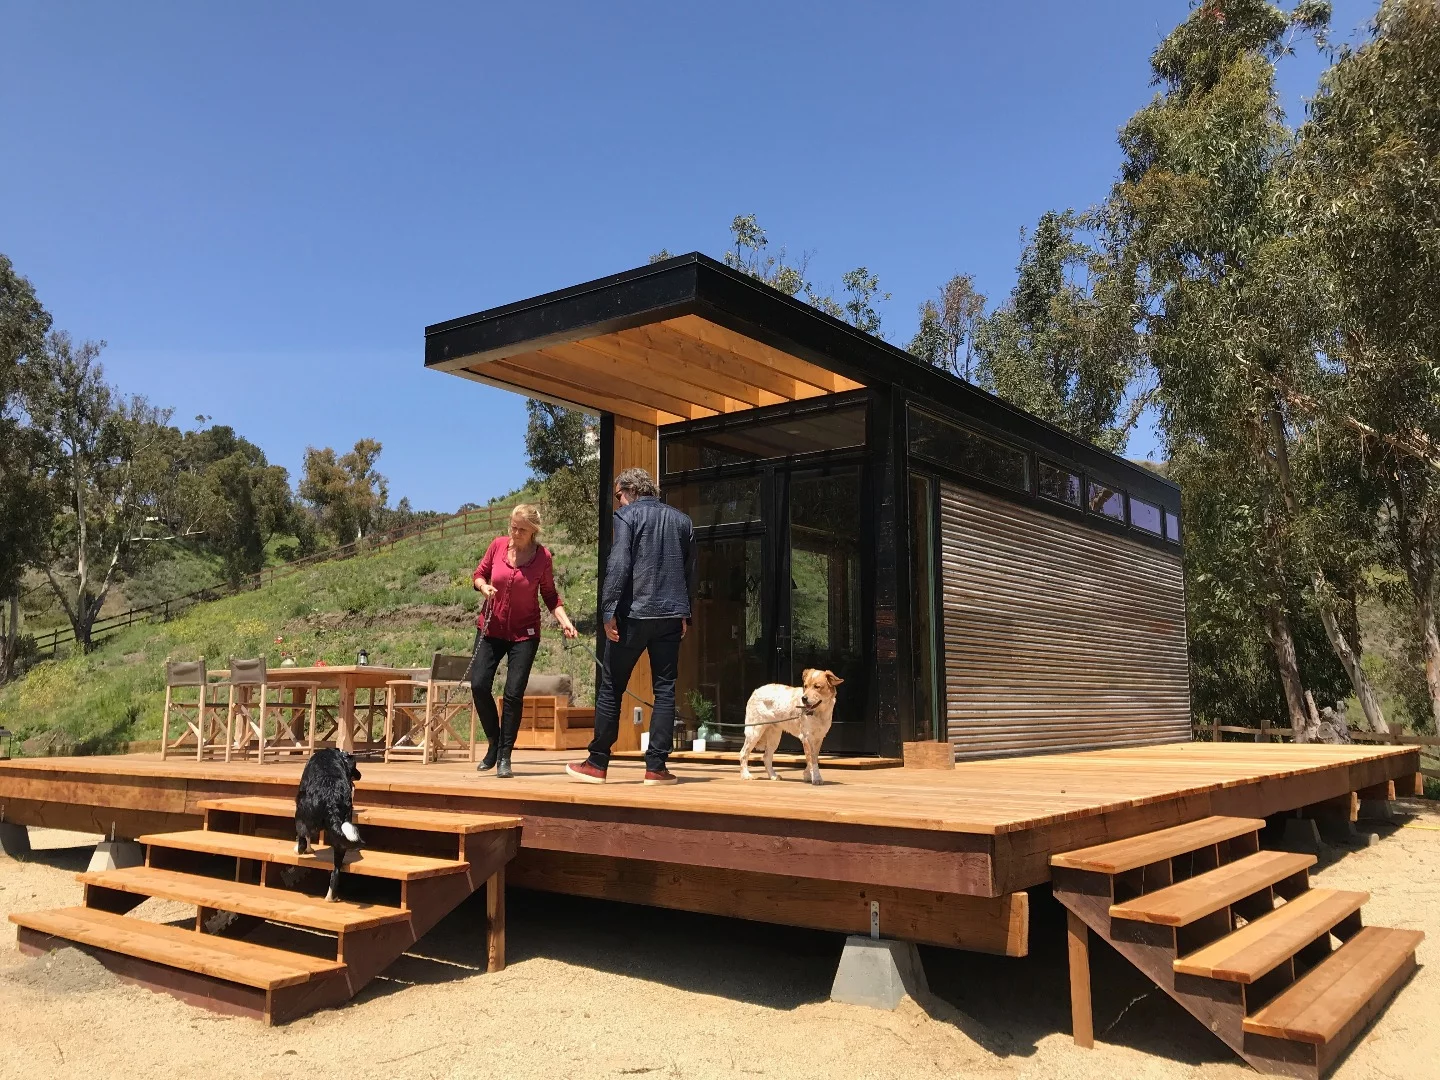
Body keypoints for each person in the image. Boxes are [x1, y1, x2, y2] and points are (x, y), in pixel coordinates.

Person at [567, 467, 694, 786]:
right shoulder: (682, 521)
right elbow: (689, 571)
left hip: (632, 616)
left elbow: (619, 564)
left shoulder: (627, 518)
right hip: (669, 617)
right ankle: (656, 768)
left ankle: (597, 764)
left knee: (612, 686)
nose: (619, 503)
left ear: (628, 489)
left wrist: (608, 610)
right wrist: (684, 614)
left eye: (619, 496)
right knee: (665, 688)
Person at [470, 504, 578, 778]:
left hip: (524, 634)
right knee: (479, 684)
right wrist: (483, 587)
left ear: (533, 531)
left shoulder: (542, 558)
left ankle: (505, 755)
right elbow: (478, 575)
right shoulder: (497, 546)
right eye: (512, 526)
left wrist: (565, 621)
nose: (514, 532)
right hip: (491, 628)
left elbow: (551, 597)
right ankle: (494, 741)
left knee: (513, 693)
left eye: (521, 529)